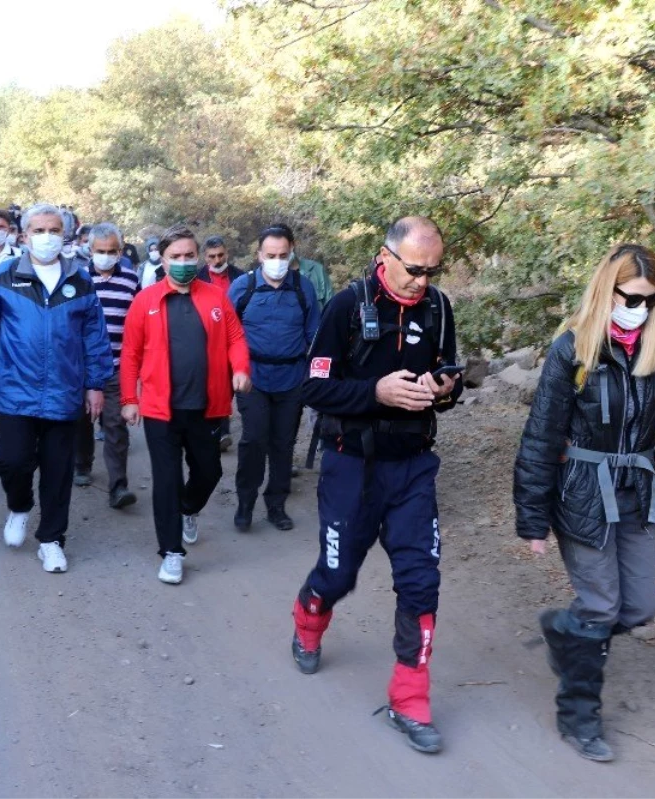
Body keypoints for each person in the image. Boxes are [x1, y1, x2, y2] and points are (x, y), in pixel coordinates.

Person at [514, 243, 655, 763]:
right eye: (630, 296)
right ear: (607, 290)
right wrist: (532, 516)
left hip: (637, 491)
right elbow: (540, 437)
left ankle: (565, 633)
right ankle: (579, 716)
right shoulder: (572, 350)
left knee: (639, 605)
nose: (638, 308)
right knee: (600, 606)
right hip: (581, 491)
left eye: (649, 298)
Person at [289, 216, 462, 754]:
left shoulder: (438, 308)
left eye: (433, 271)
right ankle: (309, 616)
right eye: (414, 269)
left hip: (413, 466)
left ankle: (409, 698)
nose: (423, 281)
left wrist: (446, 387)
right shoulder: (347, 306)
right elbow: (313, 388)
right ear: (384, 256)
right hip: (351, 466)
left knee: (420, 581)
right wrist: (376, 393)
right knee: (339, 575)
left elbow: (450, 374)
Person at [0, 203, 113, 575]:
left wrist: (96, 384)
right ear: (24, 235)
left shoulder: (80, 280)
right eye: (38, 230)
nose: (46, 237)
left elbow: (95, 338)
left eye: (53, 230)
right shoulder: (4, 277)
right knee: (11, 461)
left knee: (57, 471)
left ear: (64, 235)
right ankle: (19, 506)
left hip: (65, 392)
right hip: (16, 390)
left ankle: (51, 540)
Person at [120, 225, 251, 585]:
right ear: (161, 260)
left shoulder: (215, 298)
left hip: (206, 406)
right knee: (166, 480)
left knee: (209, 472)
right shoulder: (145, 301)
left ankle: (188, 508)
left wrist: (240, 368)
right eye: (174, 257)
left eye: (188, 256)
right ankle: (172, 552)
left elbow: (236, 338)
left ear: (198, 257)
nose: (182, 262)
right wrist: (130, 399)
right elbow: (129, 355)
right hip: (160, 410)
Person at [228, 226, 320, 532]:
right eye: (271, 255)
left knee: (283, 443)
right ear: (259, 255)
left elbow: (315, 338)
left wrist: (315, 379)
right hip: (252, 377)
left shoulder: (303, 288)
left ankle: (277, 505)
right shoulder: (243, 288)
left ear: (291, 252)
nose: (277, 261)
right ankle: (245, 502)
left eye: (283, 255)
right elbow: (226, 336)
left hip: (292, 378)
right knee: (254, 439)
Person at [73, 223, 138, 509]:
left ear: (120, 251)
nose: (106, 256)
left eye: (112, 251)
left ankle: (118, 486)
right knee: (82, 422)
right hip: (82, 368)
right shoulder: (76, 280)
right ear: (90, 251)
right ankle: (82, 464)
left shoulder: (132, 281)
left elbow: (138, 325)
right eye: (101, 251)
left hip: (117, 366)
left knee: (115, 425)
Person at [197, 235, 247, 450]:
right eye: (212, 256)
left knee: (227, 387)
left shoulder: (241, 277)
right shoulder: (197, 279)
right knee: (210, 386)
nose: (217, 260)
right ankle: (214, 430)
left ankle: (222, 429)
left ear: (226, 253)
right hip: (207, 340)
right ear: (205, 258)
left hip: (235, 338)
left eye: (220, 255)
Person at [269, 223, 333, 308]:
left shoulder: (316, 270)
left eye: (282, 249)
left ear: (292, 245)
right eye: (273, 253)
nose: (278, 256)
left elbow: (332, 308)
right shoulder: (262, 278)